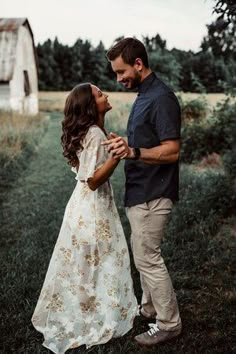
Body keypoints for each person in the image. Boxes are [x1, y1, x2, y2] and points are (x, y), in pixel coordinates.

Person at [31, 83, 138, 354]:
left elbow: (82, 171)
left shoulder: (91, 131)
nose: (106, 95)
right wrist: (116, 158)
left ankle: (93, 306)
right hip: (92, 205)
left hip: (82, 204)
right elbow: (91, 180)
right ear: (91, 106)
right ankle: (95, 312)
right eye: (100, 94)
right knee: (101, 256)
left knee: (88, 260)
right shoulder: (92, 132)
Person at [103, 37, 182, 346]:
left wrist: (133, 152)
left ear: (138, 64)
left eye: (121, 72)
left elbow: (172, 151)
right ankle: (149, 308)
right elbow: (146, 142)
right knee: (142, 257)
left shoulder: (161, 97)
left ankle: (169, 323)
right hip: (140, 192)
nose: (118, 79)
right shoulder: (144, 95)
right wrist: (125, 144)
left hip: (154, 192)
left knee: (148, 258)